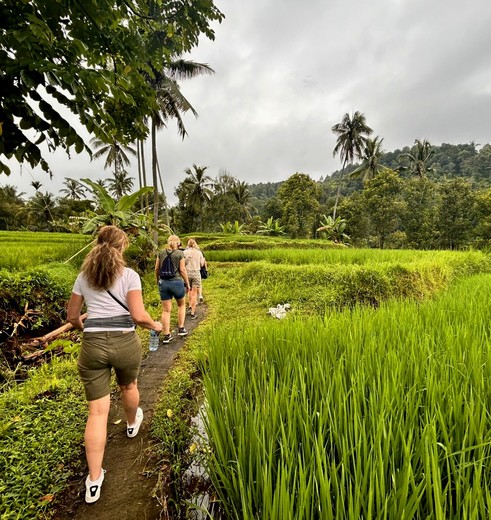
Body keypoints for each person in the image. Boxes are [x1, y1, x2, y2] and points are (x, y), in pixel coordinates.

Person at [67, 225, 163, 504]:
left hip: (93, 345)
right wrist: (155, 324)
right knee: (128, 385)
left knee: (97, 412)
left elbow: (73, 316)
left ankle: (94, 480)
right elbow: (138, 315)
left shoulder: (84, 277)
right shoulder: (129, 275)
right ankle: (132, 423)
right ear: (121, 248)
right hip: (124, 341)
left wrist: (79, 325)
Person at [155, 234, 190, 342]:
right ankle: (181, 328)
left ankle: (166, 335)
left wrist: (157, 280)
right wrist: (187, 283)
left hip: (164, 283)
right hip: (177, 282)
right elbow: (183, 270)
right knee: (181, 305)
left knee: (166, 310)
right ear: (178, 243)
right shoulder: (180, 253)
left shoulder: (160, 253)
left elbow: (156, 268)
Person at [184, 238, 205, 319]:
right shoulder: (199, 252)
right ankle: (193, 312)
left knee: (188, 290)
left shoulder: (184, 252)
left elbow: (182, 263)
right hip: (196, 272)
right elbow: (202, 264)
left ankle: (189, 305)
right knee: (194, 293)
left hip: (187, 273)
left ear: (188, 244)